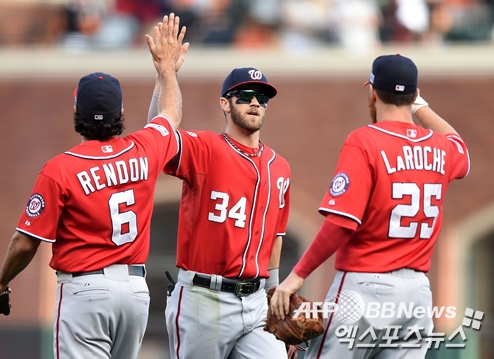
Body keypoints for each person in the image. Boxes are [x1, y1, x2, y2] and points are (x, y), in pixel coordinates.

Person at [0, 13, 186, 359]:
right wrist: (166, 70)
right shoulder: (144, 149)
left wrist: (0, 282)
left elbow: (26, 242)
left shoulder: (60, 168)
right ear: (120, 113)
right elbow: (170, 114)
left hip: (85, 290)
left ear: (76, 111)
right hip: (135, 291)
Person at [270, 54, 470, 358]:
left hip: (365, 287)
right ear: (414, 95)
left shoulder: (365, 140)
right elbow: (461, 150)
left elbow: (341, 222)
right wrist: (421, 107)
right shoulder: (439, 146)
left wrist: (296, 276)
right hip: (417, 295)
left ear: (372, 92)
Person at [147, 67, 292, 358]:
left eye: (262, 98)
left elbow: (274, 240)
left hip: (256, 301)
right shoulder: (205, 148)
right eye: (246, 96)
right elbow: (158, 137)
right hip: (204, 297)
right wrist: (165, 76)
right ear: (225, 102)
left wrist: (277, 305)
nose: (255, 103)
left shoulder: (280, 167)